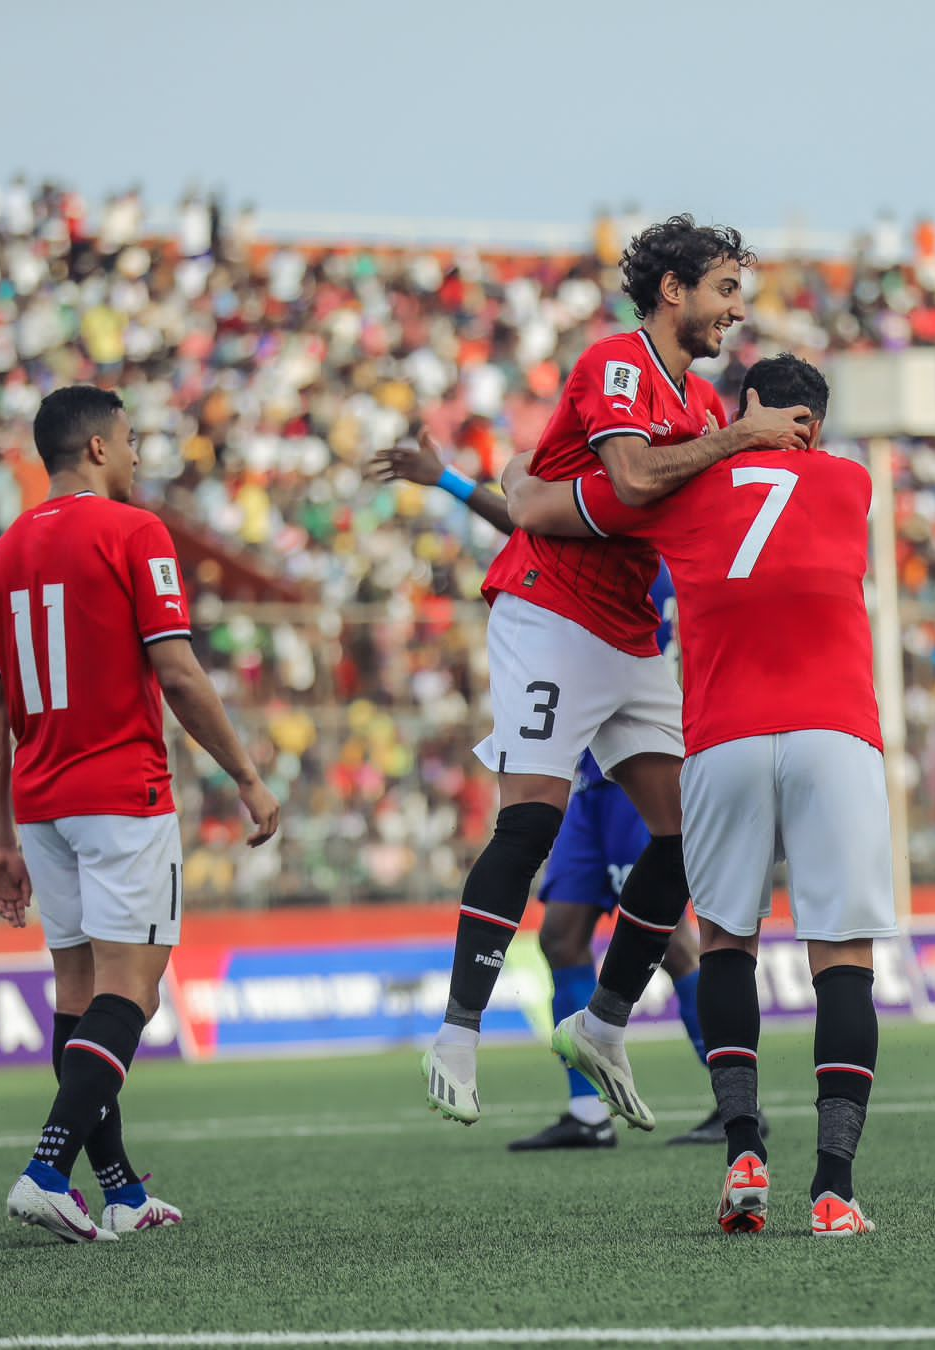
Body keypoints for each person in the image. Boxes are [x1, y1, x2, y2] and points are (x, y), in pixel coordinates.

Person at [404, 215, 810, 1132]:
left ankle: (604, 1022)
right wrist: (738, 440)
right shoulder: (615, 364)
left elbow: (627, 508)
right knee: (534, 816)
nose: (734, 313)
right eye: (725, 291)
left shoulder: (707, 411)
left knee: (687, 837)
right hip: (548, 611)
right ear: (674, 290)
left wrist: (533, 495)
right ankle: (458, 1034)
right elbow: (630, 478)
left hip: (628, 633)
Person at [505, 354, 889, 1237]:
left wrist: (506, 474)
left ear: (741, 410)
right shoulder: (851, 482)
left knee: (724, 944)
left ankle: (743, 1153)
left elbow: (533, 506)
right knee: (843, 960)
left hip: (721, 740)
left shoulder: (679, 493)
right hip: (837, 734)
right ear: (815, 426)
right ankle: (834, 1188)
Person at [370, 434, 757, 1149]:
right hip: (581, 769)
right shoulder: (611, 530)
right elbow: (532, 524)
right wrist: (452, 482)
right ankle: (587, 1111)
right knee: (562, 933)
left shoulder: (671, 548)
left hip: (630, 755)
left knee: (671, 937)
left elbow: (532, 513)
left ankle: (732, 1101)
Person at [0, 386, 281, 1243]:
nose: (141, 456)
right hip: (123, 793)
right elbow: (178, 673)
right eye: (134, 441)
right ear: (100, 449)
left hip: (41, 803)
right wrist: (249, 778)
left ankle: (119, 1191)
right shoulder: (133, 532)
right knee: (132, 993)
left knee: (80, 995)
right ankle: (44, 1170)